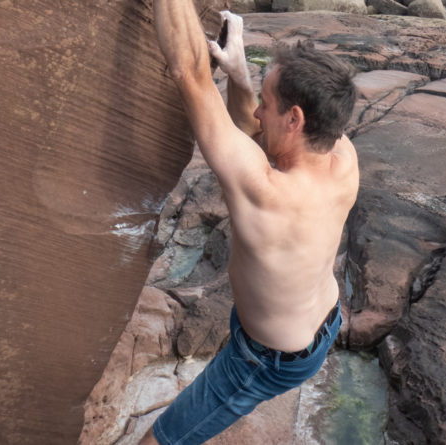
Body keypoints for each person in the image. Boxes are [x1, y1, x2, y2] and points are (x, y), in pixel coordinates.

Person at [144, 3, 359, 444]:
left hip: (263, 360)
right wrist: (242, 77)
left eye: (267, 103)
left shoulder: (267, 194)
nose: (259, 112)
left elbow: (188, 72)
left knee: (161, 440)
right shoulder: (342, 156)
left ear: (296, 119)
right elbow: (258, 139)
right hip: (324, 321)